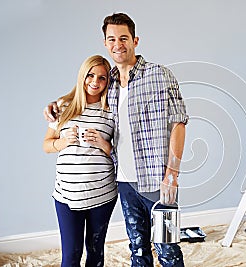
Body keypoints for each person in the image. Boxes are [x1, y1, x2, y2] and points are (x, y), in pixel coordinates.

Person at [44, 13, 188, 267]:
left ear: (135, 40)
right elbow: (82, 92)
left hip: (158, 180)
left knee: (168, 248)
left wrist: (172, 173)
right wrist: (54, 106)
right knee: (138, 249)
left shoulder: (160, 75)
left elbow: (179, 122)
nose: (118, 44)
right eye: (112, 39)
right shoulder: (107, 81)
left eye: (123, 38)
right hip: (124, 184)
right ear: (105, 43)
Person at [43, 55, 117, 267]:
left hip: (102, 194)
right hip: (67, 194)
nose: (95, 82)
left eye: (102, 78)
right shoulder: (62, 106)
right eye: (90, 75)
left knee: (95, 254)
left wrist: (103, 143)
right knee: (70, 257)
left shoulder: (111, 111)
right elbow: (47, 145)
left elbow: (120, 153)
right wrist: (63, 142)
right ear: (82, 76)